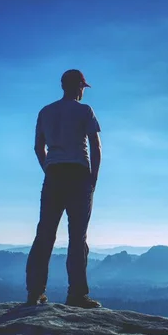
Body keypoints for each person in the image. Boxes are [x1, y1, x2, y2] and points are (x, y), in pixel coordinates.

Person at [25, 69, 102, 308]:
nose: (83, 91)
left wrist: (48, 169)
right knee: (77, 236)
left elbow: (38, 148)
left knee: (45, 234)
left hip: (54, 175)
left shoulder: (45, 112)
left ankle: (34, 292)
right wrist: (93, 179)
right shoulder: (84, 111)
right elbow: (95, 146)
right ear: (78, 86)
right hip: (78, 175)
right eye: (82, 87)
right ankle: (77, 295)